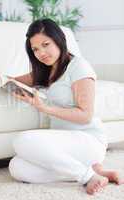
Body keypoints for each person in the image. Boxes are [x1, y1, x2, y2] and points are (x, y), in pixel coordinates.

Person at [8, 18, 123, 195]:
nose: (41, 53)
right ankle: (92, 171)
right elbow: (11, 80)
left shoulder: (79, 67)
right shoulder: (45, 70)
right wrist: (3, 81)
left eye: (46, 44)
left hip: (88, 140)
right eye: (35, 49)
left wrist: (44, 108)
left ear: (58, 39)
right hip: (65, 143)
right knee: (17, 167)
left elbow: (85, 115)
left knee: (22, 140)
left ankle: (87, 176)